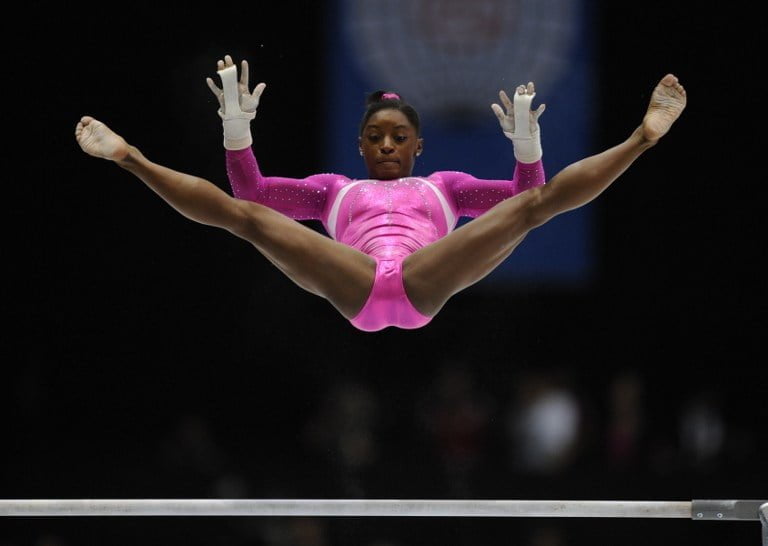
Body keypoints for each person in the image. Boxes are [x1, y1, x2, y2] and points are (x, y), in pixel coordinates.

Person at [74, 54, 686, 332]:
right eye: (375, 137)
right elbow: (251, 193)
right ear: (360, 146)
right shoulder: (329, 192)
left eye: (399, 137)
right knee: (246, 219)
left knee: (533, 207)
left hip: (422, 281)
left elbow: (528, 200)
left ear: (420, 146)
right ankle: (131, 158)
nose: (388, 145)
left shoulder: (447, 187)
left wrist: (528, 148)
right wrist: (238, 134)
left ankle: (640, 139)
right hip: (357, 282)